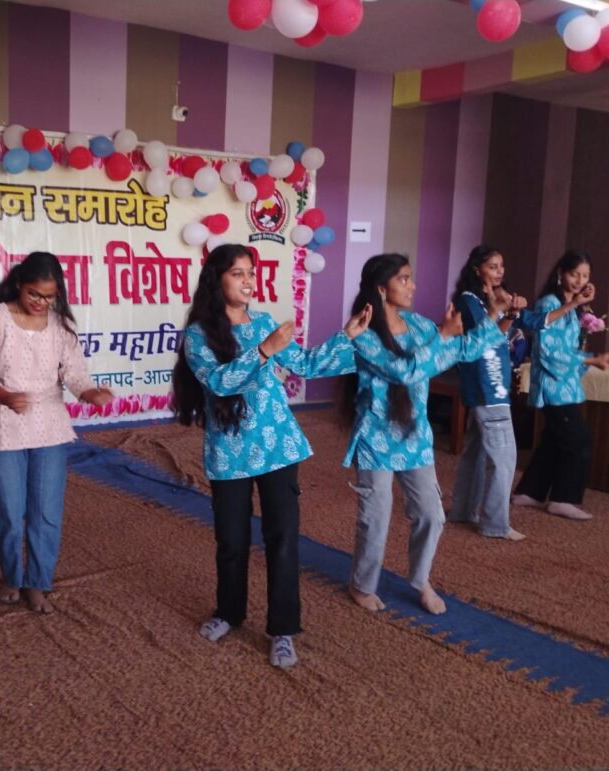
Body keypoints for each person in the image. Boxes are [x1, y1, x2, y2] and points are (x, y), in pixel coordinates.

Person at [172, 244, 372, 669]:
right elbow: (220, 382)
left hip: (279, 447)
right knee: (232, 540)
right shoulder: (198, 336)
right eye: (237, 273)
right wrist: (263, 351)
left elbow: (307, 364)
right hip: (229, 452)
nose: (248, 281)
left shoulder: (263, 322)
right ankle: (229, 612)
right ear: (216, 280)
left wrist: (346, 336)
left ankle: (283, 629)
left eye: (251, 273)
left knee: (282, 539)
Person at [342, 253, 508, 615]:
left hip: (415, 436)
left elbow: (460, 351)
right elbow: (403, 372)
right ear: (381, 288)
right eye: (404, 279)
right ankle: (362, 585)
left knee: (432, 515)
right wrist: (443, 336)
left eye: (410, 278)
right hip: (376, 439)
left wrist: (495, 315)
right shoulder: (363, 333)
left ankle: (420, 580)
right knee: (375, 518)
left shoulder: (418, 325)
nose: (412, 286)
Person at [0, 252, 112, 614]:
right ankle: (11, 576)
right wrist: (4, 396)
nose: (40, 302)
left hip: (49, 426)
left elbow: (75, 371)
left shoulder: (61, 326)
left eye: (49, 296)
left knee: (46, 511)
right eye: (34, 294)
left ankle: (38, 581)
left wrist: (89, 393)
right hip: (3, 425)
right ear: (19, 284)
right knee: (8, 509)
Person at [447, 244, 578, 541]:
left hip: (491, 387)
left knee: (476, 454)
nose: (499, 271)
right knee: (504, 458)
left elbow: (536, 322)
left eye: (501, 266)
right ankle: (495, 524)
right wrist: (506, 312)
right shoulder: (469, 300)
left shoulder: (497, 297)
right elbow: (485, 337)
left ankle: (463, 511)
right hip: (487, 386)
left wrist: (572, 304)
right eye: (492, 266)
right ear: (477, 269)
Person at [511, 250, 609, 521]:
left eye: (585, 276)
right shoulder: (550, 303)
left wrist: (598, 358)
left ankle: (530, 492)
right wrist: (593, 360)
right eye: (575, 274)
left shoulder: (572, 305)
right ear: (561, 273)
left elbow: (569, 349)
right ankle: (563, 498)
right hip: (553, 386)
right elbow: (549, 351)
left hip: (566, 385)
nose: (579, 280)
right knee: (578, 439)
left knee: (554, 438)